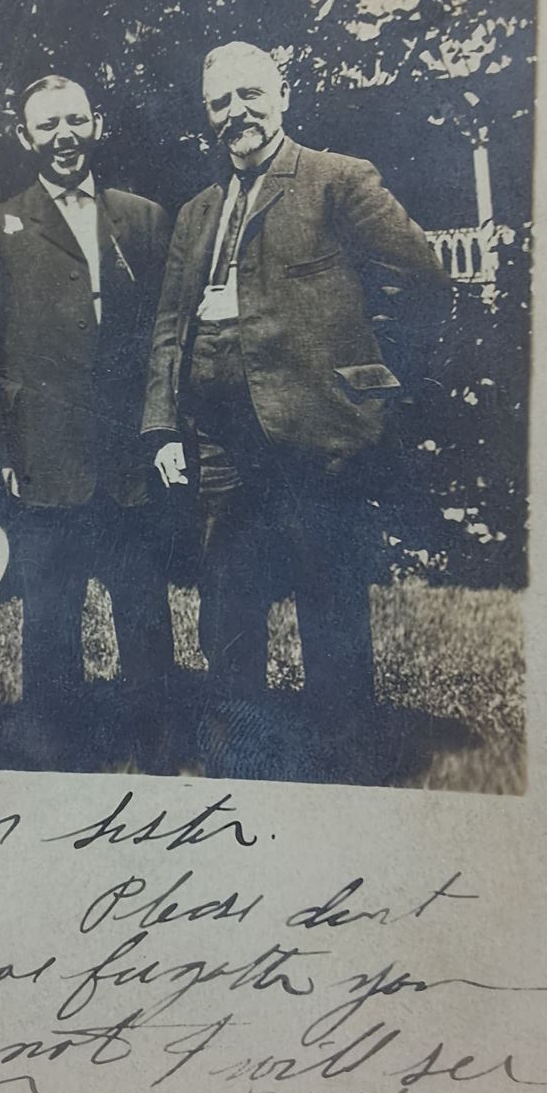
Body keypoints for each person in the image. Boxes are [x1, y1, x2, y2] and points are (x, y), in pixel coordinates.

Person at [143, 40, 446, 724]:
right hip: (220, 439)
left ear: (283, 95)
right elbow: (169, 325)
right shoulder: (197, 212)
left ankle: (343, 755)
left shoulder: (335, 180)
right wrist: (161, 426)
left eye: (250, 94)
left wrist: (367, 380)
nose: (236, 112)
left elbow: (422, 280)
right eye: (220, 102)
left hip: (316, 430)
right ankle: (241, 745)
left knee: (328, 596)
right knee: (228, 600)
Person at [0, 74, 176, 767]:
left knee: (144, 609)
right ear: (26, 137)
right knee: (50, 617)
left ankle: (161, 752)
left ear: (96, 124)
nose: (63, 137)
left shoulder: (141, 218)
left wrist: (163, 432)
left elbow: (166, 335)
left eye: (74, 121)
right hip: (43, 460)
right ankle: (55, 759)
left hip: (128, 458)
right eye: (47, 125)